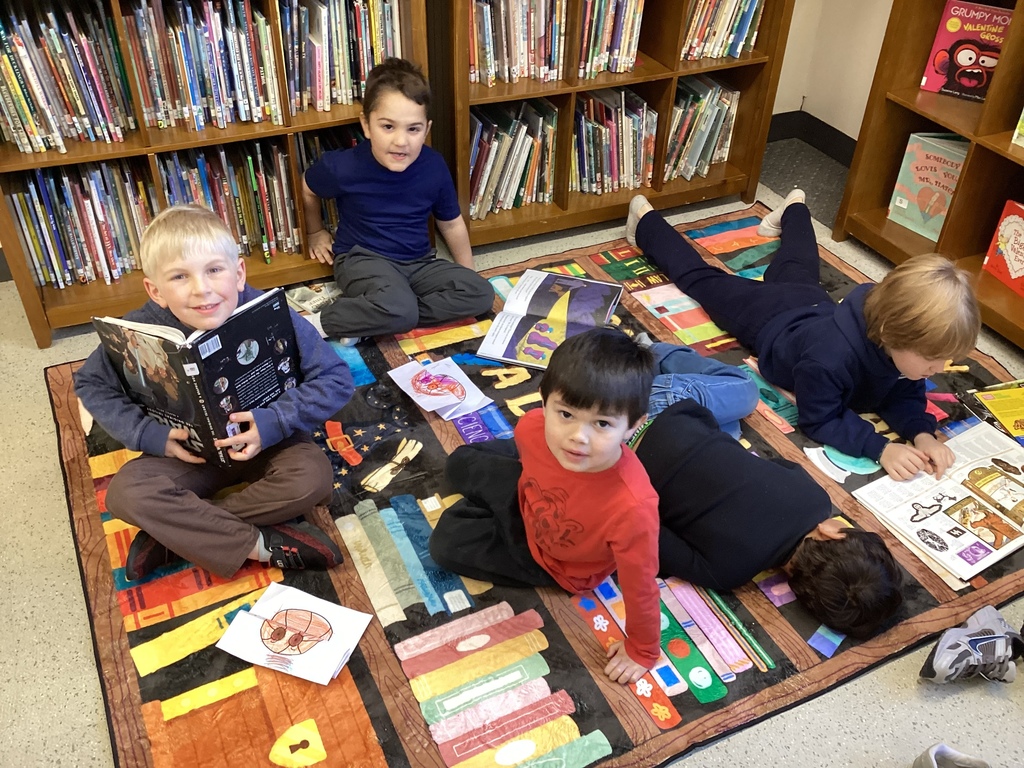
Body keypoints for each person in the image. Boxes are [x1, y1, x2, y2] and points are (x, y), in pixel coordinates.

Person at [75, 205, 354, 581]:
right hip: (187, 455)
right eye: (179, 276)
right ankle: (259, 545)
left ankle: (172, 537)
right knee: (125, 493)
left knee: (313, 477)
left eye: (214, 270)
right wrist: (148, 435)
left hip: (268, 442)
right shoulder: (137, 327)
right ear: (155, 290)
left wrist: (275, 420)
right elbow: (90, 382)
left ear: (238, 273)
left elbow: (336, 379)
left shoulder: (271, 313)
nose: (201, 289)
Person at [625, 190, 981, 482]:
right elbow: (819, 418)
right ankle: (646, 223)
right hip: (769, 318)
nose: (936, 369)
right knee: (703, 281)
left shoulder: (898, 346)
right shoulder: (828, 359)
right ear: (891, 332)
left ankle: (793, 209)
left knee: (798, 264)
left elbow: (902, 391)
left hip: (813, 304)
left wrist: (921, 432)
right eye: (931, 358)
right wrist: (881, 448)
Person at [429, 328, 661, 685]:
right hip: (529, 497)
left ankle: (493, 512)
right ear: (543, 400)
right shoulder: (533, 426)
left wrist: (643, 650)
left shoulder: (632, 508)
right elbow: (530, 456)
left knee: (446, 541)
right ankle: (494, 499)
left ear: (633, 426)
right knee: (459, 462)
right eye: (566, 414)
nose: (578, 437)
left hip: (555, 561)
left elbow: (641, 586)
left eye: (602, 424)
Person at [301, 57, 494, 344]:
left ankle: (374, 317)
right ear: (366, 126)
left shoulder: (434, 166)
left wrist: (467, 274)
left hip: (418, 263)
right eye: (388, 127)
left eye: (413, 129)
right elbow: (308, 187)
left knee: (481, 293)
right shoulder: (343, 166)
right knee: (400, 308)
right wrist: (315, 232)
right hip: (362, 259)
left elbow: (451, 224)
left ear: (426, 130)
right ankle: (320, 323)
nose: (401, 141)